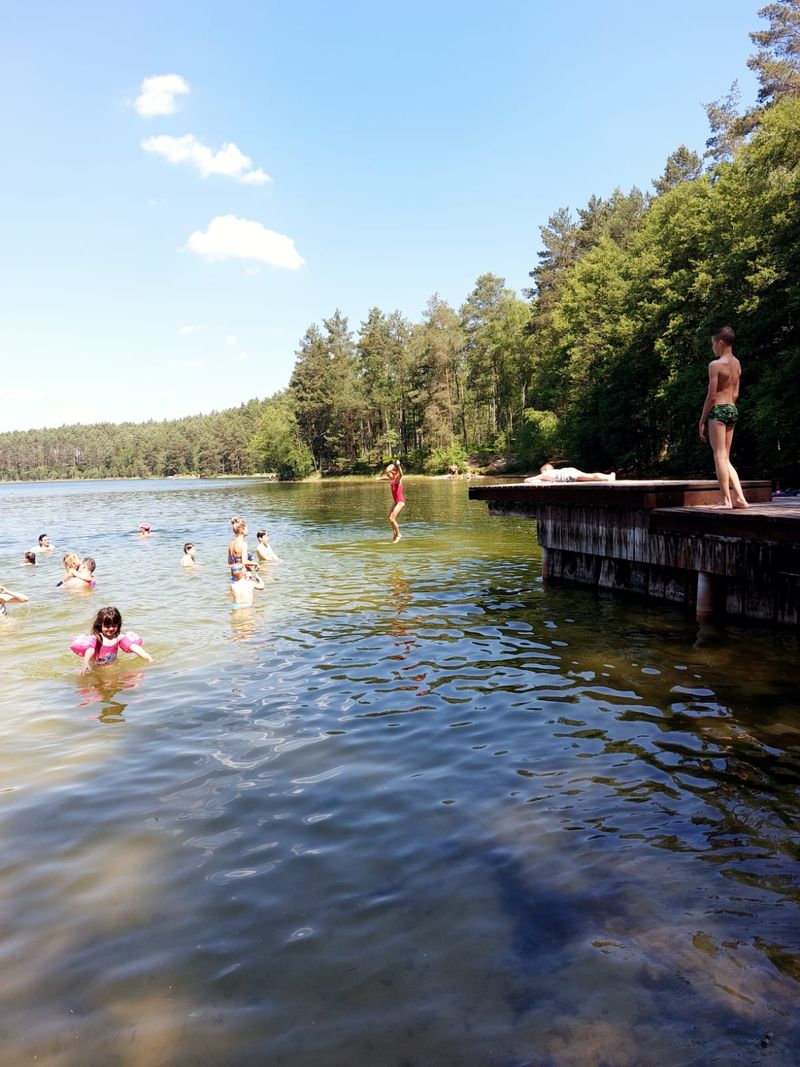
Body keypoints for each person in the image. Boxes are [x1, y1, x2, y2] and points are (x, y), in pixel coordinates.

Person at [699, 325, 748, 510]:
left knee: (719, 456)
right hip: (732, 409)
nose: (713, 348)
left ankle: (726, 500)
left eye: (713, 344)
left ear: (720, 343)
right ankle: (741, 499)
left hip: (718, 409)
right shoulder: (737, 364)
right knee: (725, 458)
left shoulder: (715, 365)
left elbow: (711, 397)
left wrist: (702, 420)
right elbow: (735, 394)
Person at [71, 606, 153, 673]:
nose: (110, 629)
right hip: (96, 667)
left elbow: (133, 647)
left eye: (114, 626)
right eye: (107, 626)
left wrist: (147, 657)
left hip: (113, 664)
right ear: (100, 625)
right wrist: (85, 663)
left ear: (118, 625)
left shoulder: (119, 638)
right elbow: (90, 649)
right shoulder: (97, 638)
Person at [382, 461, 406, 543]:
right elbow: (387, 478)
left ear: (394, 472)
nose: (387, 476)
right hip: (395, 501)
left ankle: (398, 534)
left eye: (388, 474)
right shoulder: (392, 479)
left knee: (392, 519)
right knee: (390, 518)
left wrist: (398, 465)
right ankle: (395, 533)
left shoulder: (397, 479)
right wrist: (380, 478)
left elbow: (401, 474)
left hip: (400, 502)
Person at [525, 463, 616, 484]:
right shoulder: (554, 472)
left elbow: (527, 480)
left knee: (590, 476)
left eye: (541, 472)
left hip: (568, 475)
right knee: (589, 476)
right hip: (569, 470)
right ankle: (608, 476)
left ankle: (608, 477)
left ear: (545, 470)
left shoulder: (545, 474)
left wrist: (535, 479)